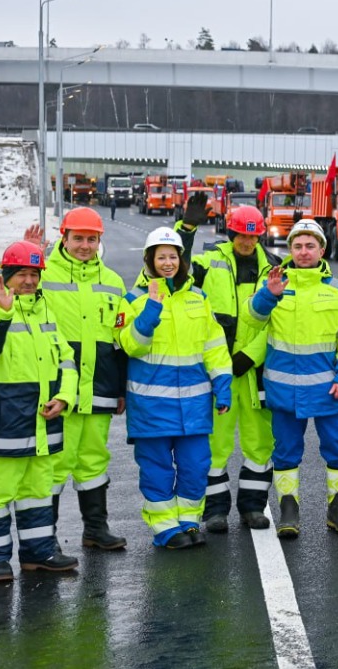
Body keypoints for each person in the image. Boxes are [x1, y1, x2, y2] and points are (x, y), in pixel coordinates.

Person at [0, 241, 79, 583]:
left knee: (37, 493)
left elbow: (66, 360)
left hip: (43, 422)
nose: (29, 281)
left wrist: (65, 397)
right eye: (21, 274)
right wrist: (1, 313)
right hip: (4, 423)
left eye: (34, 274)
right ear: (6, 276)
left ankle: (38, 554)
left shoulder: (45, 312)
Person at [248, 219, 338, 538]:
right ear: (290, 250)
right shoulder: (276, 284)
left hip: (330, 389)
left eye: (310, 246)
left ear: (322, 250)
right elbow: (252, 320)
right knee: (286, 452)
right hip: (285, 389)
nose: (303, 252)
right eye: (297, 246)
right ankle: (289, 510)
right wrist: (268, 296)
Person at [23, 208, 129, 551]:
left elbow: (120, 341)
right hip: (58, 391)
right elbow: (18, 303)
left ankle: (95, 530)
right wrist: (29, 258)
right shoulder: (44, 274)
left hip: (100, 388)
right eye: (78, 238)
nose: (85, 245)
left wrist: (121, 388)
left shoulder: (113, 282)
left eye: (91, 239)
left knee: (93, 460)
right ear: (64, 238)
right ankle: (45, 539)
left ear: (99, 241)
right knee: (54, 464)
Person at [120, 227, 232, 550]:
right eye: (161, 257)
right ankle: (165, 528)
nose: (167, 263)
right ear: (149, 260)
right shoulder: (134, 300)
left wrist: (222, 386)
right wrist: (151, 310)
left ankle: (188, 522)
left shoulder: (198, 298)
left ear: (181, 260)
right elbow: (131, 345)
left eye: (173, 256)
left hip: (194, 406)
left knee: (196, 467)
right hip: (151, 407)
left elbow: (214, 347)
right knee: (157, 470)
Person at [177, 205, 281, 533]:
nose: (247, 242)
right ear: (231, 233)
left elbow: (279, 322)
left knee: (260, 442)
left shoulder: (275, 269)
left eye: (253, 236)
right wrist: (186, 232)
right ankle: (215, 511)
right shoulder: (209, 262)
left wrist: (249, 355)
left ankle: (253, 507)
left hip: (255, 371)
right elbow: (175, 271)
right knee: (214, 443)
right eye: (241, 236)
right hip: (218, 370)